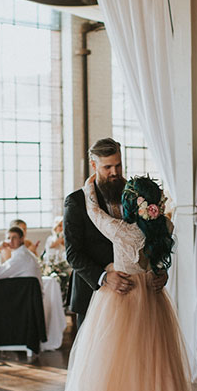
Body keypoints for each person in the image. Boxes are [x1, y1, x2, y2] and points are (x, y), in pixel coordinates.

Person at [50, 175, 197, 391]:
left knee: (116, 373)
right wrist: (161, 273)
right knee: (157, 371)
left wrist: (90, 186)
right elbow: (161, 264)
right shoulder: (164, 228)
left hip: (123, 301)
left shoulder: (121, 231)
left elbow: (94, 213)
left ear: (133, 203)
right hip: (154, 303)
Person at [63, 138, 167, 325]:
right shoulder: (76, 202)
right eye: (108, 167)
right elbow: (73, 254)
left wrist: (161, 270)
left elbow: (153, 236)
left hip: (138, 294)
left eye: (118, 166)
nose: (115, 172)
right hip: (94, 294)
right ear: (94, 165)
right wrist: (104, 277)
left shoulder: (138, 196)